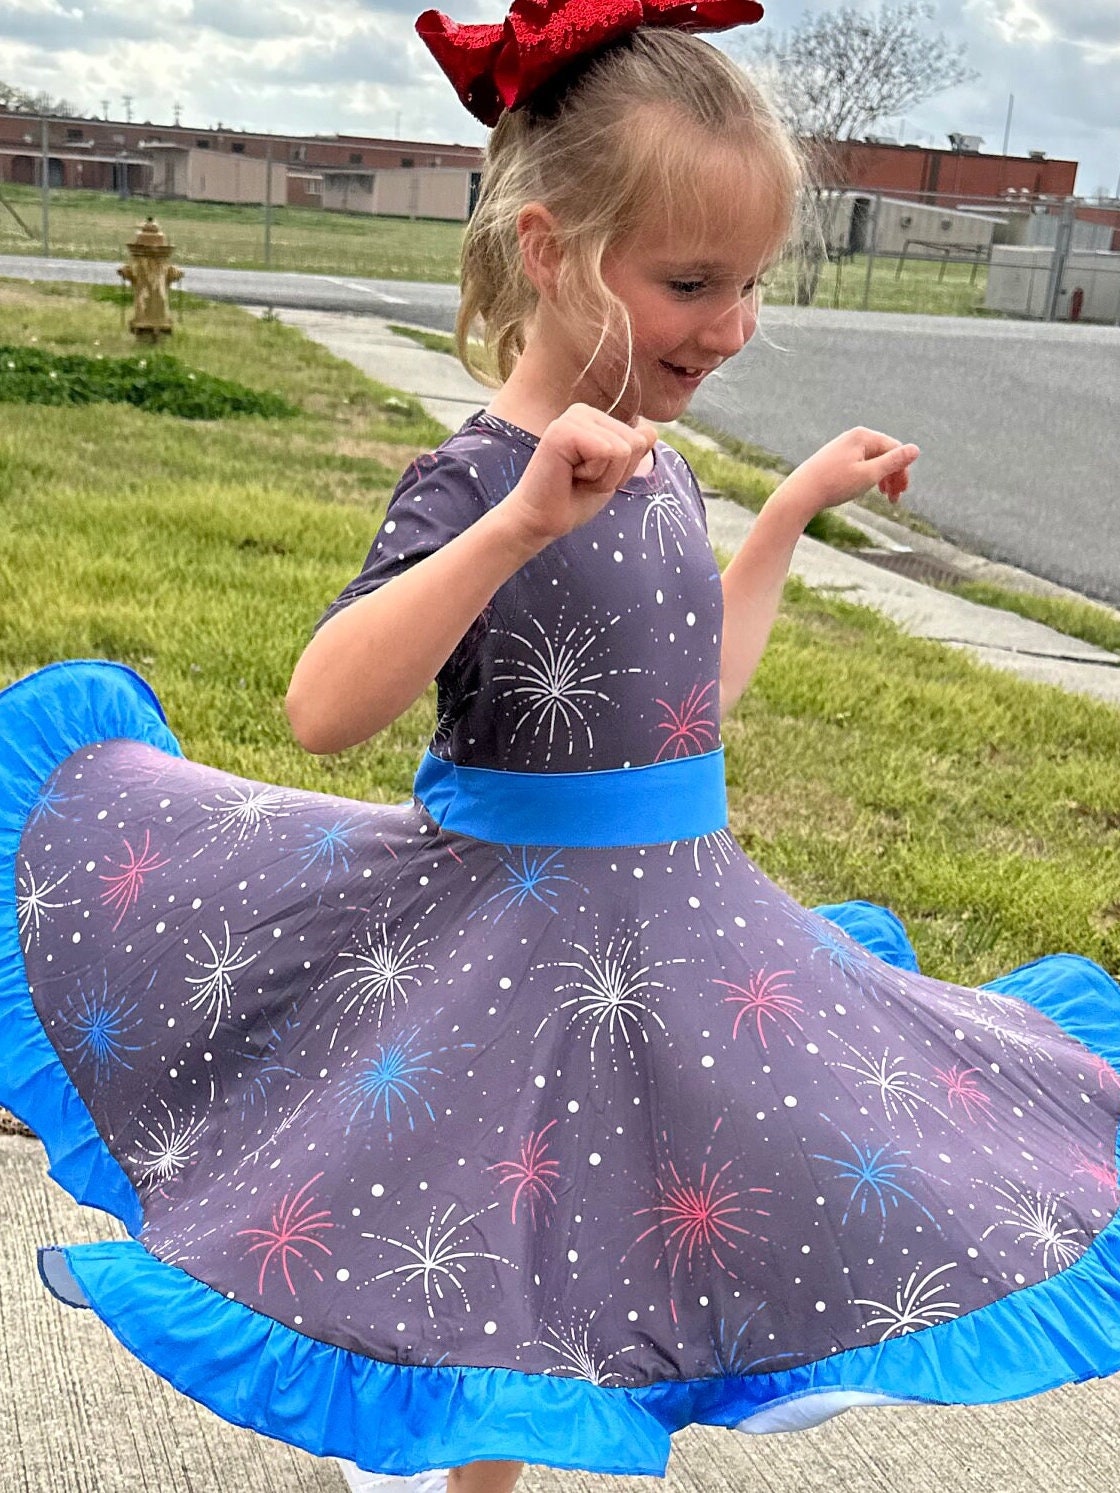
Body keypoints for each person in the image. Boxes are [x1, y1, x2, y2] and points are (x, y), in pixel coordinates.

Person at [3, 3, 1120, 1492]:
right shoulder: (477, 476)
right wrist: (521, 520)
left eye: (752, 285)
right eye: (690, 283)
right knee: (479, 1264)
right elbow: (327, 703)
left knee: (596, 1268)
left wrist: (784, 515)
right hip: (511, 947)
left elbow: (686, 699)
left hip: (670, 931)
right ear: (548, 251)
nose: (730, 326)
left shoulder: (653, 470)